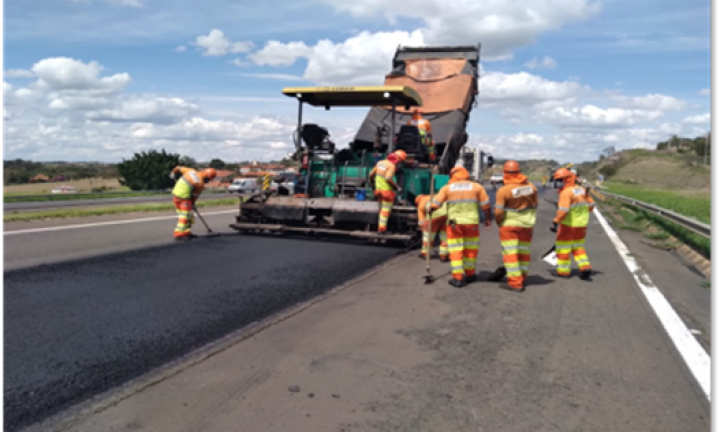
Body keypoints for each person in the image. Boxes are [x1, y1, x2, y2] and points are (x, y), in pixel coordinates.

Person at [430, 166, 492, 288]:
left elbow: (435, 205)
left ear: (452, 175)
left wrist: (429, 210)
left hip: (454, 224)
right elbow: (486, 205)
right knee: (471, 249)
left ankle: (458, 278)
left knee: (456, 250)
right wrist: (488, 219)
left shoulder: (447, 188)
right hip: (472, 223)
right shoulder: (477, 187)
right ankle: (470, 274)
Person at [494, 161, 539, 292]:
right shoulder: (532, 187)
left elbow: (498, 212)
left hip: (510, 226)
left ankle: (515, 283)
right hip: (527, 225)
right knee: (524, 252)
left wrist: (499, 222)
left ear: (505, 173)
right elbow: (536, 205)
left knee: (510, 254)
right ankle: (522, 276)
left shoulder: (504, 190)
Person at [552, 167, 595, 280]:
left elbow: (563, 210)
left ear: (567, 179)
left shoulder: (566, 193)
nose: (558, 182)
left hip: (568, 225)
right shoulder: (581, 190)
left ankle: (563, 271)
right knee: (578, 247)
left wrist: (556, 221)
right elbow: (591, 205)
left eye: (560, 180)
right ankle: (585, 267)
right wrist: (583, 214)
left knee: (563, 248)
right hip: (582, 225)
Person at [170, 166, 217, 241]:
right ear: (206, 176)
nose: (208, 181)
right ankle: (178, 234)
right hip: (184, 198)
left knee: (185, 215)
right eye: (208, 179)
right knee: (185, 216)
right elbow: (194, 196)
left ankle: (186, 232)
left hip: (176, 196)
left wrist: (173, 173)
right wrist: (192, 204)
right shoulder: (200, 183)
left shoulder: (191, 171)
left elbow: (178, 168)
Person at [369, 150, 407, 233]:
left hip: (378, 191)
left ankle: (379, 227)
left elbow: (371, 174)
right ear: (398, 159)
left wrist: (372, 182)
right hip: (387, 192)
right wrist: (397, 187)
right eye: (400, 161)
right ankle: (382, 230)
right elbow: (388, 178)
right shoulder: (391, 166)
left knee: (381, 210)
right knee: (385, 211)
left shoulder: (380, 162)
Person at [416, 194, 449, 262]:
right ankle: (444, 255)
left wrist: (423, 227)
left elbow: (421, 219)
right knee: (445, 237)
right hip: (447, 215)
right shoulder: (434, 196)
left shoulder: (421, 202)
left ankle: (425, 253)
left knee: (428, 237)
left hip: (433, 217)